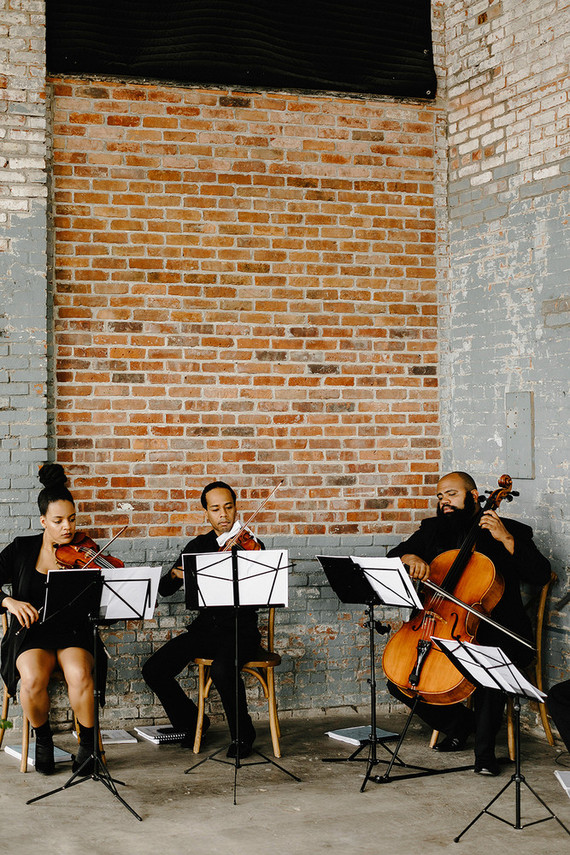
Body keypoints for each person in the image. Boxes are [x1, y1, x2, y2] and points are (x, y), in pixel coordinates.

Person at [385, 470, 551, 776]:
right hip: (440, 626)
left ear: (474, 496)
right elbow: (395, 555)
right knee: (401, 679)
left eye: (451, 494)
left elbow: (540, 574)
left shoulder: (509, 531)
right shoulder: (433, 530)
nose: (444, 502)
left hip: (499, 630)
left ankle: (484, 755)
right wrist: (411, 557)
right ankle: (461, 725)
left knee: (488, 665)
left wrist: (506, 539)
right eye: (440, 497)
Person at [142, 481, 262, 758]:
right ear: (206, 513)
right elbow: (165, 589)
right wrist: (175, 574)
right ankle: (191, 723)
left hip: (241, 631)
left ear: (236, 508)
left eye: (228, 507)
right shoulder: (198, 545)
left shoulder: (251, 545)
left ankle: (243, 735)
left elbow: (259, 594)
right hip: (207, 631)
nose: (224, 515)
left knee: (222, 669)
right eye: (216, 509)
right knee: (154, 669)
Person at [0, 463, 100, 775]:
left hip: (73, 631)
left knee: (79, 674)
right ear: (44, 521)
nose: (67, 527)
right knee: (31, 679)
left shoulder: (85, 551)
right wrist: (9, 601)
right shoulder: (22, 548)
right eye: (58, 521)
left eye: (72, 519)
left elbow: (99, 603)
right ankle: (43, 740)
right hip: (32, 633)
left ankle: (87, 747)